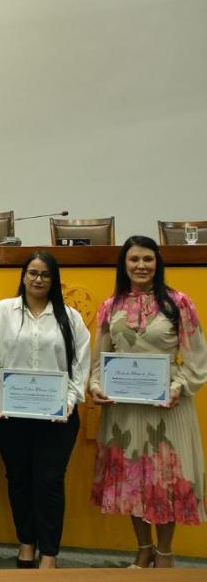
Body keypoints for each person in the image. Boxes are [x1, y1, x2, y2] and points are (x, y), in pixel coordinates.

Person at [89, 236, 207, 568]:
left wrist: (179, 387)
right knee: (132, 478)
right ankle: (143, 549)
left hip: (168, 406)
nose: (141, 265)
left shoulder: (179, 303)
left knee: (164, 478)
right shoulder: (110, 306)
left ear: (158, 263)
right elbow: (99, 359)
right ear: (124, 265)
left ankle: (165, 552)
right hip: (124, 409)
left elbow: (197, 359)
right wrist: (95, 385)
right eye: (134, 259)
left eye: (148, 259)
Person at [0, 251, 90, 569]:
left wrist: (68, 402)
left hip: (58, 416)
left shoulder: (70, 317)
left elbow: (80, 364)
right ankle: (26, 543)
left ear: (54, 279)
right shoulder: (3, 311)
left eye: (45, 274)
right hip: (9, 415)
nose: (38, 279)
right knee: (19, 478)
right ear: (23, 276)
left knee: (49, 481)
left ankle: (50, 552)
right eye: (33, 273)